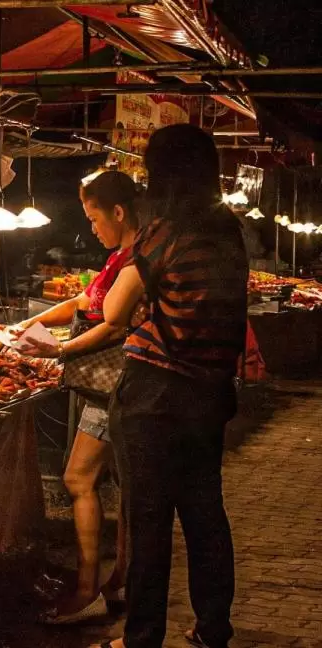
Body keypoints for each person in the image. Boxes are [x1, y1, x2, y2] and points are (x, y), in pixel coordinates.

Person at [97, 124, 247, 648]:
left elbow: (114, 307)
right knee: (206, 515)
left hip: (156, 394)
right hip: (210, 393)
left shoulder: (163, 230)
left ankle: (142, 639)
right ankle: (213, 628)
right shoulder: (227, 228)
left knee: (148, 523)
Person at [10, 170, 138, 624]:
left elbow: (115, 324)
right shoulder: (117, 258)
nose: (91, 227)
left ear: (118, 212)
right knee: (124, 493)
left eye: (94, 217)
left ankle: (88, 590)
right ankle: (119, 582)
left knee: (78, 479)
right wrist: (30, 324)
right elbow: (84, 302)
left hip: (117, 387)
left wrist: (58, 349)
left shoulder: (136, 261)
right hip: (106, 387)